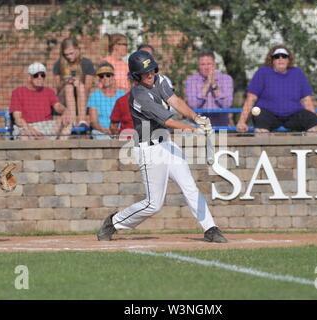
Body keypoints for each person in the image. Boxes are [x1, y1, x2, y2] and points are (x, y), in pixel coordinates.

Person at [97, 50, 227, 243]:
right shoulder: (138, 96)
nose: (150, 74)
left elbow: (174, 101)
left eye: (152, 70)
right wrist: (192, 129)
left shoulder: (160, 80)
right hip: (149, 151)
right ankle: (114, 222)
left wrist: (195, 117)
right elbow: (167, 120)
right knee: (153, 204)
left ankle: (210, 228)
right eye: (145, 72)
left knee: (190, 187)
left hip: (166, 144)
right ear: (135, 75)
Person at [236, 45, 317, 133]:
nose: (281, 59)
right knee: (260, 120)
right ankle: (263, 146)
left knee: (313, 123)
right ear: (272, 60)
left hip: (293, 114)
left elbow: (306, 100)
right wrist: (242, 122)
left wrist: (314, 120)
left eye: (284, 56)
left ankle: (310, 145)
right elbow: (251, 98)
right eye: (277, 56)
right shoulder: (263, 72)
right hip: (268, 114)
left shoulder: (297, 73)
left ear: (289, 59)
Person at [11, 62, 72, 140]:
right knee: (24, 135)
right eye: (36, 75)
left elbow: (58, 106)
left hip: (46, 126)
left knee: (67, 121)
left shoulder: (49, 92)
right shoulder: (18, 92)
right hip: (27, 126)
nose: (40, 77)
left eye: (42, 75)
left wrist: (65, 111)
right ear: (29, 77)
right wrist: (30, 129)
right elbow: (18, 119)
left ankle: (60, 150)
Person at [53, 37, 96, 128]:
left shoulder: (86, 63)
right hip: (64, 97)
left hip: (82, 96)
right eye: (66, 54)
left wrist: (78, 82)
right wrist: (65, 81)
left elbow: (88, 88)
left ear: (77, 49)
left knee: (80, 86)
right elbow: (57, 87)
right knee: (69, 87)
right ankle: (72, 122)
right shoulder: (59, 64)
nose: (69, 57)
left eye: (71, 53)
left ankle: (82, 121)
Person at [185, 50, 234, 126]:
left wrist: (214, 84)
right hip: (198, 127)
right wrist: (207, 83)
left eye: (209, 64)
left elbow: (227, 104)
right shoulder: (191, 80)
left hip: (221, 126)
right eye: (203, 64)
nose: (206, 67)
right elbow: (193, 104)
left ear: (214, 65)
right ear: (198, 66)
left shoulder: (226, 79)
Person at [87, 62, 126, 139]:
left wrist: (118, 131)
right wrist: (104, 130)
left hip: (120, 131)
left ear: (113, 77)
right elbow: (93, 121)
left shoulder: (122, 95)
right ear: (99, 79)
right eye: (101, 76)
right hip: (101, 132)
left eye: (108, 75)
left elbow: (126, 117)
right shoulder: (94, 95)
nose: (105, 78)